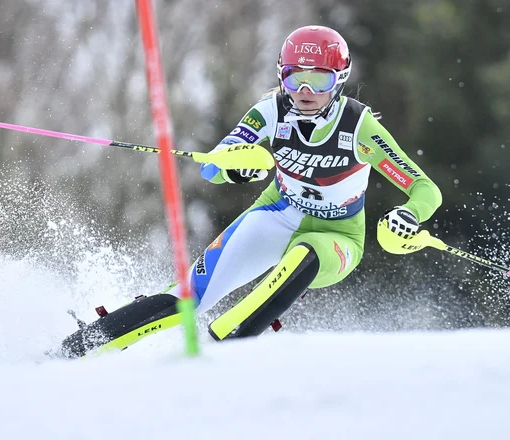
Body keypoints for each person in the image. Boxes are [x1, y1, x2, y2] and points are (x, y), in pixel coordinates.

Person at [60, 25, 442, 357]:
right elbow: (214, 164)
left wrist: (410, 214)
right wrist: (235, 169)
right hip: (276, 214)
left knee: (306, 252)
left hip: (337, 236)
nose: (305, 90)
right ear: (282, 76)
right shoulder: (271, 111)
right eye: (295, 78)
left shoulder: (359, 127)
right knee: (186, 298)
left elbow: (425, 189)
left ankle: (224, 350)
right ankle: (72, 351)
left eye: (319, 80)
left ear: (339, 80)